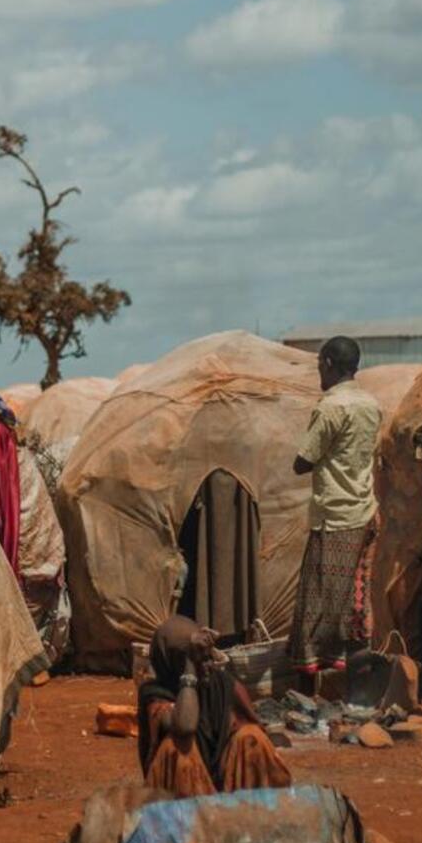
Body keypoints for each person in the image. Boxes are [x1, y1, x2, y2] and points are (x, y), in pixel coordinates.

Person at [289, 336, 384, 686]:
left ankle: (307, 690)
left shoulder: (331, 407)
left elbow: (304, 461)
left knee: (315, 603)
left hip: (336, 517)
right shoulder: (371, 405)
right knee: (356, 602)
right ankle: (357, 690)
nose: (319, 375)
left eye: (319, 367)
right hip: (365, 509)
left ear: (328, 363)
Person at [136, 615, 291, 797]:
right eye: (200, 659)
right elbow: (185, 727)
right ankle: (192, 820)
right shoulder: (155, 693)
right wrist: (190, 669)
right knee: (177, 749)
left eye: (207, 656)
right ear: (174, 662)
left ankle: (259, 813)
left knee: (251, 737)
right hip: (184, 797)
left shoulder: (221, 684)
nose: (208, 663)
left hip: (224, 780)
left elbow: (249, 726)